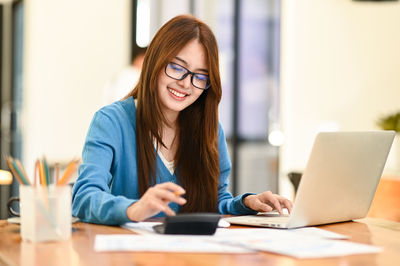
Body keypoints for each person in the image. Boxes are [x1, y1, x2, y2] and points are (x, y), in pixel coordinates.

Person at [72, 15, 292, 225]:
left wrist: (245, 203)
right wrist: (135, 209)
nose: (186, 84)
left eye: (200, 76)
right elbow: (84, 197)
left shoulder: (211, 130)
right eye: (177, 67)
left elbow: (214, 202)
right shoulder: (111, 121)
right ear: (154, 62)